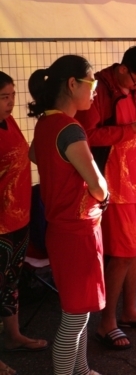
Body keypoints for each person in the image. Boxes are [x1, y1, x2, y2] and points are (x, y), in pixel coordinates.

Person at [75, 44, 136, 349]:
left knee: (135, 248)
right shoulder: (99, 90)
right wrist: (128, 130)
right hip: (117, 186)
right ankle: (107, 322)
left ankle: (130, 311)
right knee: (122, 255)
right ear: (123, 68)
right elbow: (88, 136)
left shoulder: (132, 89)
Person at [28, 55, 108, 375]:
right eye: (92, 82)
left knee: (79, 314)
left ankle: (83, 370)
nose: (95, 90)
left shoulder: (46, 122)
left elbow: (35, 154)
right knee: (74, 318)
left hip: (64, 231)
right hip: (76, 233)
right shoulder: (70, 128)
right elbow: (98, 186)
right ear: (73, 84)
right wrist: (103, 194)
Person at [0, 72, 48, 368]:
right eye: (4, 97)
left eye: (13, 96)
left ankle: (13, 335)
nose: (11, 102)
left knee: (10, 282)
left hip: (19, 218)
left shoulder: (9, 122)